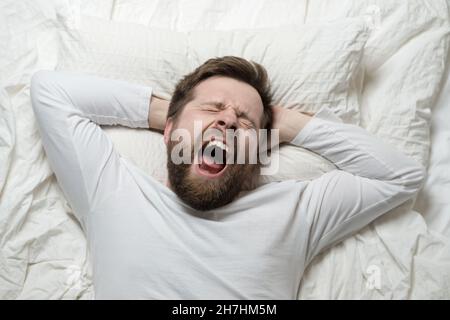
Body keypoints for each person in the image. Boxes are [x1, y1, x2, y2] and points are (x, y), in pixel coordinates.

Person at [30, 56, 425, 299]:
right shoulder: (111, 189)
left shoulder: (295, 211)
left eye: (245, 121)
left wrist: (287, 125)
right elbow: (50, 91)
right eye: (214, 108)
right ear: (168, 132)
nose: (228, 119)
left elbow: (401, 177)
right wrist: (173, 116)